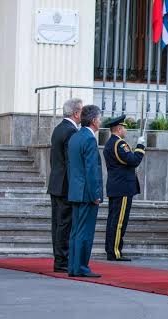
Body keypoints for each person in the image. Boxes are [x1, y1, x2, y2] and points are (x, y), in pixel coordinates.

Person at [67, 104, 104, 278]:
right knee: (85, 232)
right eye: (100, 118)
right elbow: (91, 170)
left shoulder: (75, 137)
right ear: (94, 120)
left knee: (76, 231)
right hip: (86, 193)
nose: (101, 121)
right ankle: (81, 266)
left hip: (75, 191)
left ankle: (73, 266)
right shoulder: (89, 139)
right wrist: (95, 194)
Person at [103, 115, 146, 261]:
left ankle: (111, 249)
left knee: (113, 220)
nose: (126, 130)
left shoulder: (111, 143)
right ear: (119, 129)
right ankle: (115, 251)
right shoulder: (119, 144)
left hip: (116, 186)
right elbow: (133, 161)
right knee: (119, 221)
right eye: (124, 127)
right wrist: (140, 147)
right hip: (122, 188)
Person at [47, 98, 81, 272]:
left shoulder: (59, 128)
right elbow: (70, 162)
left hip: (56, 183)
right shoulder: (71, 131)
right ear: (76, 113)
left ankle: (59, 259)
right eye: (81, 111)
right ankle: (62, 261)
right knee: (64, 224)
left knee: (58, 223)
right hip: (65, 185)